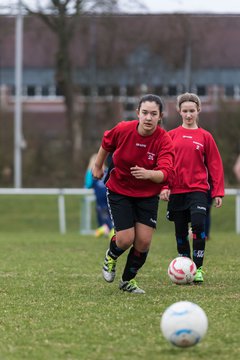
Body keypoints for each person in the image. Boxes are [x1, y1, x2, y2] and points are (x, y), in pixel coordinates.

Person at [92, 94, 175, 294]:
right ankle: (111, 256)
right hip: (119, 190)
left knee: (144, 241)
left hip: (147, 194)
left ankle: (127, 281)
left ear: (160, 116)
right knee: (126, 239)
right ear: (137, 113)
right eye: (145, 113)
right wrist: (98, 165)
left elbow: (167, 172)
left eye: (153, 114)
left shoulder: (164, 140)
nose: (148, 117)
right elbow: (106, 142)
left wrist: (149, 174)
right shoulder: (123, 129)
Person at [160, 92, 224, 283]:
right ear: (179, 111)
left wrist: (218, 191)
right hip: (177, 191)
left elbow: (215, 164)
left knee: (198, 225)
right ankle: (185, 264)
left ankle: (198, 268)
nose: (189, 114)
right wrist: (164, 186)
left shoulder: (205, 137)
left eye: (192, 111)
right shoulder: (171, 136)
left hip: (198, 190)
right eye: (185, 111)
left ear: (198, 111)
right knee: (180, 232)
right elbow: (164, 163)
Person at [84, 154, 114, 239]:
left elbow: (88, 184)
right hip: (108, 195)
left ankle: (108, 229)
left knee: (103, 212)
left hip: (101, 196)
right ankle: (105, 229)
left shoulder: (91, 172)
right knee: (107, 212)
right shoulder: (106, 171)